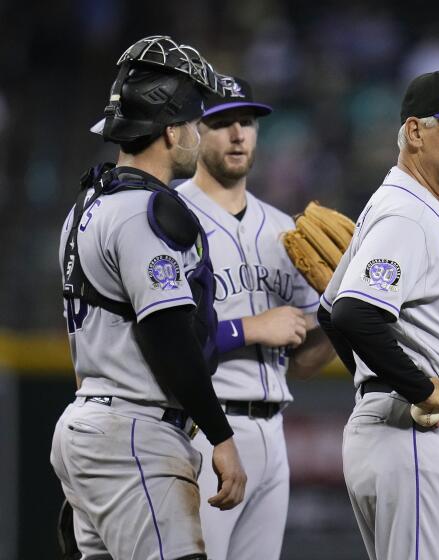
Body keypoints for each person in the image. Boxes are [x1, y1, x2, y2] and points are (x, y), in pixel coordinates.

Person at [50, 36, 247, 559]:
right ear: (168, 130)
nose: (198, 136)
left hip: (90, 421)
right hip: (133, 433)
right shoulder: (141, 211)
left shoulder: (85, 207)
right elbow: (165, 333)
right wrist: (221, 435)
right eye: (193, 124)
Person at [317, 69, 439, 559]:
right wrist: (416, 386)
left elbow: (329, 311)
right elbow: (352, 314)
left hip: (400, 430)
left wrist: (376, 382)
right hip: (415, 434)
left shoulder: (409, 204)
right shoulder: (407, 213)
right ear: (415, 132)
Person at [176, 75, 335, 559]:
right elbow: (162, 338)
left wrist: (335, 311)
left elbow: (302, 364)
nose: (238, 134)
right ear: (194, 131)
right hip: (205, 426)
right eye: (221, 123)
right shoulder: (171, 214)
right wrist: (250, 327)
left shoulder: (285, 230)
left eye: (246, 121)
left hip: (273, 431)